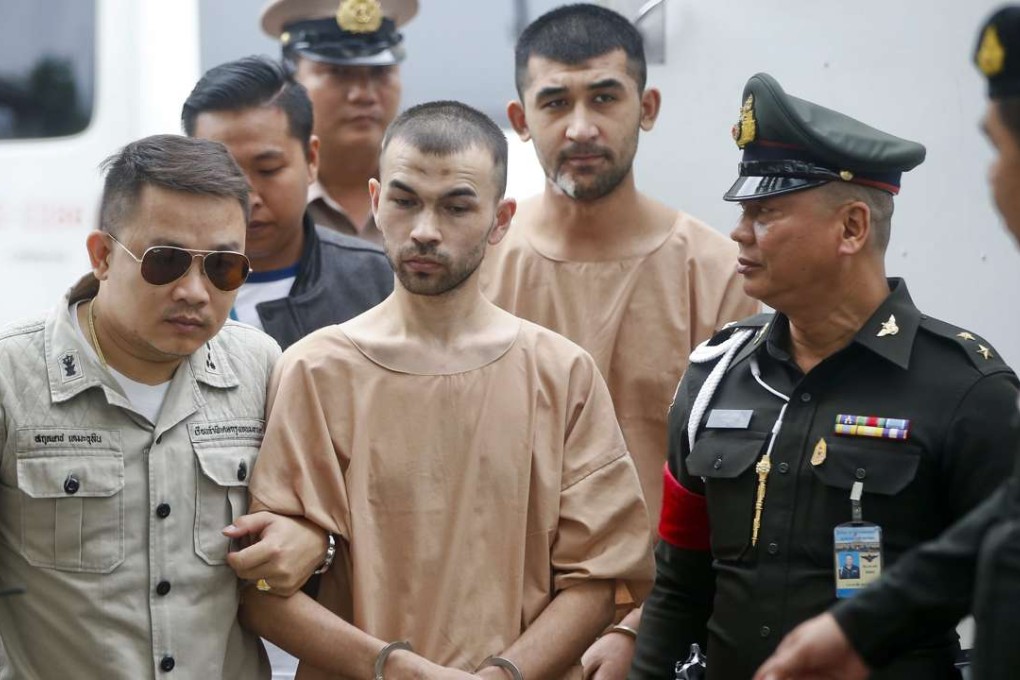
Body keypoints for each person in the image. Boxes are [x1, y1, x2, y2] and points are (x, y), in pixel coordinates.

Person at [237, 100, 654, 679]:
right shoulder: (316, 370)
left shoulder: (562, 375)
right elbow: (264, 589)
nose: (426, 231)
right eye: (406, 202)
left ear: (500, 219)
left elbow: (601, 575)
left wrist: (504, 675)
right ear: (378, 202)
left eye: (457, 207)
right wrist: (399, 670)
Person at [628, 73, 1020, 679]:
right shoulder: (715, 379)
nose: (738, 231)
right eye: (743, 210)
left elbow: (1008, 588)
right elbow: (679, 587)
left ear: (852, 228)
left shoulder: (968, 391)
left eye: (766, 211)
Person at [481, 6, 758, 674]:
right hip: (497, 639)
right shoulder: (480, 272)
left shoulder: (720, 274)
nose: (581, 127)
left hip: (668, 634)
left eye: (604, 96)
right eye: (555, 102)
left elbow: (741, 492)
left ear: (647, 107)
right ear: (520, 121)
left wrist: (641, 626)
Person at [753, 8, 1020, 680]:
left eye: (998, 149)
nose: (991, 180)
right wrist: (857, 630)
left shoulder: (968, 386)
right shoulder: (727, 369)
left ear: (851, 228)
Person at [0, 135, 280, 678]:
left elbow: (306, 540)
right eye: (166, 262)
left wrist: (310, 543)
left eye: (223, 267)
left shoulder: (262, 368)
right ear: (102, 256)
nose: (195, 292)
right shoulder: (12, 380)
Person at [182, 55, 392, 351]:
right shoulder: (161, 284)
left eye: (268, 169)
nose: (248, 197)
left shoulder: (380, 283)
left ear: (311, 160)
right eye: (221, 172)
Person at [260, 0, 418, 244]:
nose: (363, 94)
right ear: (291, 82)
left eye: (380, 72)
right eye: (339, 72)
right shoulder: (260, 204)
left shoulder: (438, 195)